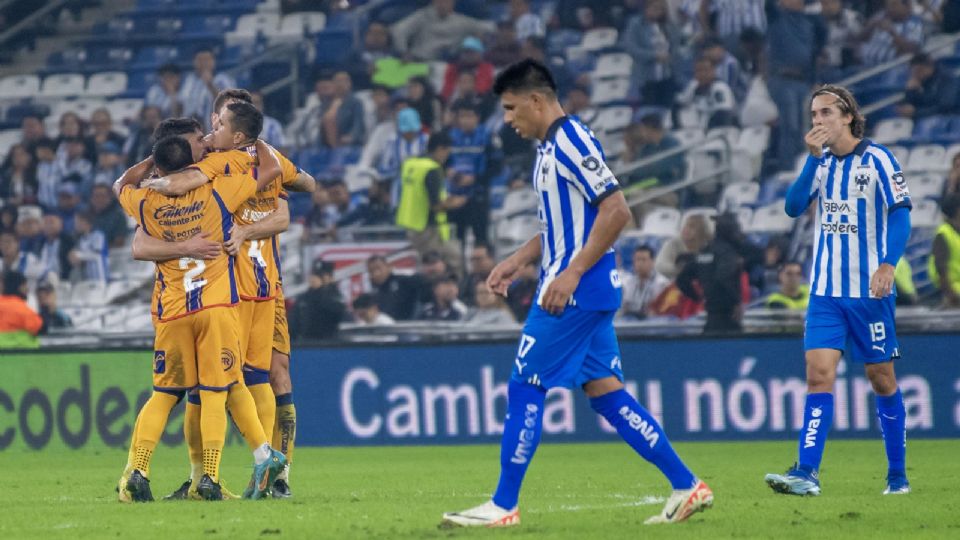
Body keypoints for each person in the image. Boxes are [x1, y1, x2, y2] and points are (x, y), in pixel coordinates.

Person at [441, 59, 713, 528]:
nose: (507, 119)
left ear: (537, 101)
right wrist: (518, 259)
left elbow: (617, 210)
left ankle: (504, 505)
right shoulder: (550, 148)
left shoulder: (572, 141)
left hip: (573, 292)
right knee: (606, 392)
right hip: (582, 288)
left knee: (526, 383)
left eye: (510, 108)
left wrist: (569, 275)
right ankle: (688, 485)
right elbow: (566, 227)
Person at [135, 93, 314, 499]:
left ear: (237, 131)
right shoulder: (246, 162)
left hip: (243, 290)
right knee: (233, 382)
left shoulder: (230, 167)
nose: (212, 128)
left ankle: (260, 474)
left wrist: (154, 179)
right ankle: (224, 474)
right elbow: (301, 186)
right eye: (213, 120)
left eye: (219, 123)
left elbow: (289, 205)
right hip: (239, 288)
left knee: (239, 381)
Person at [113, 134, 285, 502]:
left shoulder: (145, 202)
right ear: (191, 166)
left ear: (160, 168)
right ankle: (210, 475)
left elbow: (120, 185)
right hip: (216, 309)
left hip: (172, 313)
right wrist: (255, 140)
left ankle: (139, 471)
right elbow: (269, 170)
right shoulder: (218, 193)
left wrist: (151, 160)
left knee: (163, 394)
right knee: (215, 391)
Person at [765, 85, 913, 497]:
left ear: (848, 116)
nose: (818, 121)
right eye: (814, 114)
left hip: (869, 292)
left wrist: (888, 264)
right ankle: (806, 473)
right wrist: (811, 163)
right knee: (818, 377)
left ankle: (897, 477)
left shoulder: (880, 159)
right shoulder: (820, 163)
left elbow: (901, 216)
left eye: (826, 113)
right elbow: (794, 207)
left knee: (881, 379)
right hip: (825, 292)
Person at [677, 212, 761, 333]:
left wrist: (699, 298)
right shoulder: (727, 253)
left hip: (711, 316)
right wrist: (737, 302)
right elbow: (723, 276)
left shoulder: (704, 252)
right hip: (729, 317)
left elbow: (682, 280)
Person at [395, 132, 465, 273]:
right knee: (440, 264)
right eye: (447, 152)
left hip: (412, 224)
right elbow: (436, 205)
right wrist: (457, 202)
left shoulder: (410, 164)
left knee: (433, 262)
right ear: (440, 149)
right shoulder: (432, 169)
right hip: (428, 227)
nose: (446, 158)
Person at [390, 0, 495, 61]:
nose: (442, 4)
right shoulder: (423, 16)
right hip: (420, 61)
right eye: (439, 1)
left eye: (446, 1)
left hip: (448, 63)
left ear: (453, 3)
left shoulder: (462, 21)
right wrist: (403, 51)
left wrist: (480, 37)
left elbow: (489, 28)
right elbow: (399, 30)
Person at [179, 48, 237, 130]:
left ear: (213, 61)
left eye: (207, 59)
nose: (203, 63)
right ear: (194, 62)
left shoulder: (223, 79)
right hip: (191, 130)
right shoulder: (189, 81)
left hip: (215, 131)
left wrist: (210, 84)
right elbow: (181, 105)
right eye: (200, 59)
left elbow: (228, 103)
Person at [289, 260, 346, 340]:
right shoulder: (304, 298)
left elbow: (337, 314)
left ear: (330, 277)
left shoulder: (336, 296)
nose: (315, 279)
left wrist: (320, 291)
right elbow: (293, 323)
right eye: (314, 275)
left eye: (321, 276)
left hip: (331, 345)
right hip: (306, 345)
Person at [675, 57, 737, 130]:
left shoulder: (720, 88)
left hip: (725, 132)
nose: (702, 74)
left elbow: (723, 116)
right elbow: (677, 105)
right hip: (698, 132)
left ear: (713, 71)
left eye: (705, 70)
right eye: (698, 71)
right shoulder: (693, 85)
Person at [896, 53, 959, 119]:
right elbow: (911, 105)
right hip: (928, 120)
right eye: (913, 71)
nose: (916, 74)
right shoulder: (919, 82)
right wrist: (910, 92)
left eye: (919, 70)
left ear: (929, 67)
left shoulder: (947, 78)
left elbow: (946, 107)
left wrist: (916, 112)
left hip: (952, 118)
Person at [655, 213, 713, 280]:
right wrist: (681, 269)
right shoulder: (673, 243)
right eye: (685, 225)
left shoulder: (710, 245)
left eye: (692, 226)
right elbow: (659, 265)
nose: (686, 229)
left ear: (701, 231)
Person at [620, 245, 670, 320]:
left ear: (653, 262)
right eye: (637, 260)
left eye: (643, 260)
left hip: (653, 324)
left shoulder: (662, 284)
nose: (639, 263)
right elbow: (623, 307)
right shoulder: (627, 283)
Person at [366, 254, 422, 321]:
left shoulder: (403, 281)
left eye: (378, 268)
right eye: (371, 271)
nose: (376, 273)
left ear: (389, 267)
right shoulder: (373, 293)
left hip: (407, 327)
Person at [929, 193, 960, 308]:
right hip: (954, 292)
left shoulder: (957, 232)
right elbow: (941, 269)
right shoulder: (944, 234)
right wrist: (952, 295)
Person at [0, 271, 42, 349]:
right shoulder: (22, 309)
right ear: (18, 287)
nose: (27, 289)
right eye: (24, 285)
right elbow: (39, 327)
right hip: (22, 355)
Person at [68, 212, 109, 283]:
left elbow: (96, 254)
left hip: (100, 276)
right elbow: (80, 258)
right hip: (87, 277)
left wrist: (78, 255)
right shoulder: (81, 239)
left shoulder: (98, 235)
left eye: (78, 222)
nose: (76, 225)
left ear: (85, 222)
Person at [89, 183, 129, 248]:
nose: (99, 199)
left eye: (102, 196)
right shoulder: (87, 215)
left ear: (110, 197)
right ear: (91, 198)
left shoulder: (118, 216)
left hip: (112, 254)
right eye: (96, 196)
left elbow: (119, 242)